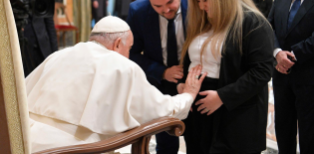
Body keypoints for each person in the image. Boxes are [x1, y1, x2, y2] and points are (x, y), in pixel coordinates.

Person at [27, 16, 206, 153]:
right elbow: (160, 109)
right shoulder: (122, 66)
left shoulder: (58, 55)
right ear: (118, 44)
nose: (128, 55)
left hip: (25, 141)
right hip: (73, 149)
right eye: (129, 48)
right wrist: (187, 96)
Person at [178, 0, 274, 153]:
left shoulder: (252, 23)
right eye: (197, 0)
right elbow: (194, 60)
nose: (201, 6)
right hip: (198, 114)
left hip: (233, 113)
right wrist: (183, 85)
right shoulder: (204, 20)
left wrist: (222, 96)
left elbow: (262, 72)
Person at [127, 0, 188, 154]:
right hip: (160, 85)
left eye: (170, 2)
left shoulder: (195, 2)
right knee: (166, 144)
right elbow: (132, 54)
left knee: (198, 140)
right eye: (158, 6)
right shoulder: (138, 11)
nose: (166, 10)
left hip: (193, 82)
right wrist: (162, 71)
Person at [268, 0, 314, 153]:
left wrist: (292, 55)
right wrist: (277, 52)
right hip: (281, 77)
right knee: (283, 130)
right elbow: (268, 28)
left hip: (309, 80)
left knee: (310, 135)